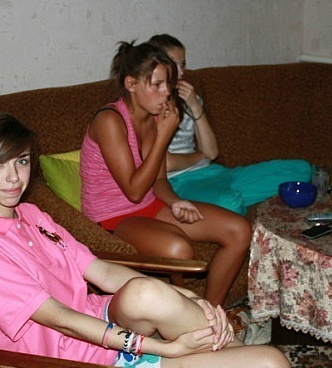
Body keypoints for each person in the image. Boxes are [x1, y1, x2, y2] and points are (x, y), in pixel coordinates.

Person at [0, 112, 327, 368]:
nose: (14, 178)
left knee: (146, 292)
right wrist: (160, 348)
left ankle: (238, 353)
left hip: (99, 320)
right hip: (78, 365)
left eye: (22, 161)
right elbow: (61, 319)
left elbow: (99, 270)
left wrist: (191, 299)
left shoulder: (29, 215)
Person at [80, 41, 252, 308]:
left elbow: (158, 180)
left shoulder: (154, 116)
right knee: (179, 249)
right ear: (131, 83)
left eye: (168, 85)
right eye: (157, 85)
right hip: (112, 216)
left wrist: (175, 202)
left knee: (239, 230)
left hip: (149, 204)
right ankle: (191, 317)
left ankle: (210, 315)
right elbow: (134, 191)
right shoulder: (109, 121)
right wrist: (163, 136)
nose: (166, 93)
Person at [148, 34, 313, 216]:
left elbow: (212, 153)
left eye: (183, 64)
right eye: (175, 64)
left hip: (212, 172)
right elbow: (167, 164)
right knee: (230, 202)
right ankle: (225, 202)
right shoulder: (150, 106)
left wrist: (195, 106)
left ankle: (221, 202)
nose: (181, 73)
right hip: (179, 182)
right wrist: (200, 155)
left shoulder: (191, 100)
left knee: (301, 170)